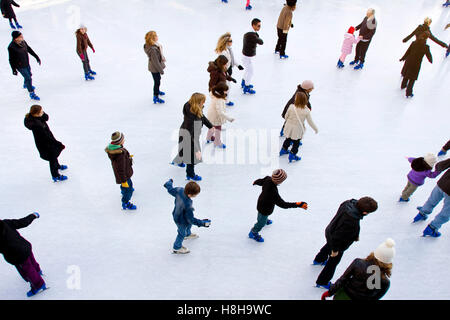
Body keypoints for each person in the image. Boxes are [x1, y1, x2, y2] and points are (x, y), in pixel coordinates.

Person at [313, 197, 378, 289]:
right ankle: (323, 281)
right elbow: (338, 237)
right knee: (333, 262)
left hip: (331, 230)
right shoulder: (352, 221)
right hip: (338, 243)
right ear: (365, 212)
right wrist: (335, 250)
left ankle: (319, 259)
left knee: (328, 245)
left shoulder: (347, 203)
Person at [322, 238, 395, 300]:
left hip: (344, 296)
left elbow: (343, 279)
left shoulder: (358, 263)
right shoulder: (385, 282)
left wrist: (330, 292)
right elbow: (375, 298)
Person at [249, 169, 308, 242]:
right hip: (265, 208)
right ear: (279, 181)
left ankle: (264, 219)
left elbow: (261, 181)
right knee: (261, 222)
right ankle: (253, 232)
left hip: (261, 202)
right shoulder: (272, 191)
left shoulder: (268, 179)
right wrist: (298, 204)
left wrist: (256, 182)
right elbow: (283, 204)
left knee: (261, 216)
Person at [0, 212, 47, 297]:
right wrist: (33, 216)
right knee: (31, 260)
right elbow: (22, 222)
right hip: (25, 246)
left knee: (27, 269)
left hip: (17, 256)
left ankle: (38, 284)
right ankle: (37, 271)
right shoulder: (5, 222)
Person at [171, 93, 213, 181]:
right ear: (197, 102)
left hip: (186, 133)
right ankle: (190, 174)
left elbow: (202, 117)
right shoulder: (192, 118)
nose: (204, 103)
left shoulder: (194, 108)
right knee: (191, 157)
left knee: (183, 149)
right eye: (203, 101)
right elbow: (190, 136)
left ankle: (179, 161)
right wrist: (197, 150)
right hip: (189, 136)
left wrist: (210, 126)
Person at [164, 179, 211, 254]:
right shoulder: (188, 205)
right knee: (181, 232)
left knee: (188, 225)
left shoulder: (180, 190)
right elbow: (191, 219)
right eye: (196, 194)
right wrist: (202, 223)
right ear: (190, 195)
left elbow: (171, 190)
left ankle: (187, 234)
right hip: (180, 220)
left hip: (176, 214)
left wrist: (168, 183)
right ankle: (177, 247)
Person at [24, 105, 67, 182]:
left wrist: (42, 114)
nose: (42, 112)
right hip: (45, 144)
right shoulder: (37, 125)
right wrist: (58, 143)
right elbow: (47, 137)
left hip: (47, 141)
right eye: (41, 112)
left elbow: (46, 117)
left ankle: (57, 166)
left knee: (54, 155)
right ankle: (56, 176)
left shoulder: (37, 117)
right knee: (52, 158)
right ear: (36, 114)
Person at [413, 158, 450, 237]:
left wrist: (438, 168)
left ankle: (422, 213)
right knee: (446, 212)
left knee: (432, 200)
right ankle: (432, 228)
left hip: (441, 184)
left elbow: (440, 165)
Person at [279, 92, 318, 163]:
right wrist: (315, 129)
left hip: (288, 127)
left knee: (288, 138)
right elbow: (310, 122)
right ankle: (292, 154)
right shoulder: (306, 111)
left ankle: (284, 149)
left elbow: (286, 116)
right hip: (297, 129)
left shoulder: (291, 106)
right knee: (296, 143)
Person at [105, 132, 136, 210]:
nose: (124, 140)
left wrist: (127, 157)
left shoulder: (116, 149)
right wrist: (123, 181)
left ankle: (124, 189)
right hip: (124, 175)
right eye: (123, 139)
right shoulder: (120, 155)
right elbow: (120, 169)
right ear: (119, 141)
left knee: (129, 185)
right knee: (128, 190)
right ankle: (125, 202)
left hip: (124, 174)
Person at [8, 31, 41, 100]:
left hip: (26, 63)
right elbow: (11, 59)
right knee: (28, 78)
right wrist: (13, 69)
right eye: (20, 36)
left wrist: (36, 56)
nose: (22, 37)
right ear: (16, 38)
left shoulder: (23, 42)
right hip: (20, 66)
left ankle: (26, 84)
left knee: (29, 75)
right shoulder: (11, 47)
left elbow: (29, 49)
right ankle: (32, 93)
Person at [399, 32, 432, 98]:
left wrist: (403, 58)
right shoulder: (426, 47)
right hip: (416, 63)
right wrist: (430, 60)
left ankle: (403, 85)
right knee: (412, 78)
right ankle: (408, 93)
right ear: (427, 38)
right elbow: (428, 55)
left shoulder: (414, 43)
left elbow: (408, 51)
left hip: (409, 61)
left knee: (407, 74)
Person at [215, 32, 244, 106]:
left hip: (229, 70)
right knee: (226, 87)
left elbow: (231, 59)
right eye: (230, 41)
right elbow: (221, 63)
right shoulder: (223, 52)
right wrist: (225, 72)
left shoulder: (229, 49)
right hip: (225, 71)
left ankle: (224, 99)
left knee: (227, 86)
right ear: (226, 42)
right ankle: (223, 101)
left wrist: (238, 65)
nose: (232, 42)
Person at [206, 82, 235, 148]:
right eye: (225, 90)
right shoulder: (219, 100)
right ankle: (217, 142)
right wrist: (229, 118)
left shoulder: (214, 94)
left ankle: (209, 137)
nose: (227, 92)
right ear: (221, 91)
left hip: (211, 114)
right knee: (218, 129)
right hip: (216, 116)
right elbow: (220, 112)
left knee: (212, 127)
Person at [241, 18, 263, 94]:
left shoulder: (250, 32)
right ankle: (246, 86)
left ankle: (244, 82)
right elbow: (261, 42)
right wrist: (257, 38)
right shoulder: (251, 35)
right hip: (247, 56)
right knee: (251, 71)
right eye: (258, 26)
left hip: (246, 55)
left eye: (260, 26)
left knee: (247, 69)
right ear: (253, 25)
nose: (259, 27)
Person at [144, 31, 166, 104]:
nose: (157, 37)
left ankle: (157, 91)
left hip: (153, 67)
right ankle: (155, 96)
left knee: (158, 79)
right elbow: (155, 62)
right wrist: (161, 70)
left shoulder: (153, 45)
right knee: (157, 82)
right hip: (155, 68)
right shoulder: (153, 49)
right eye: (156, 36)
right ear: (152, 38)